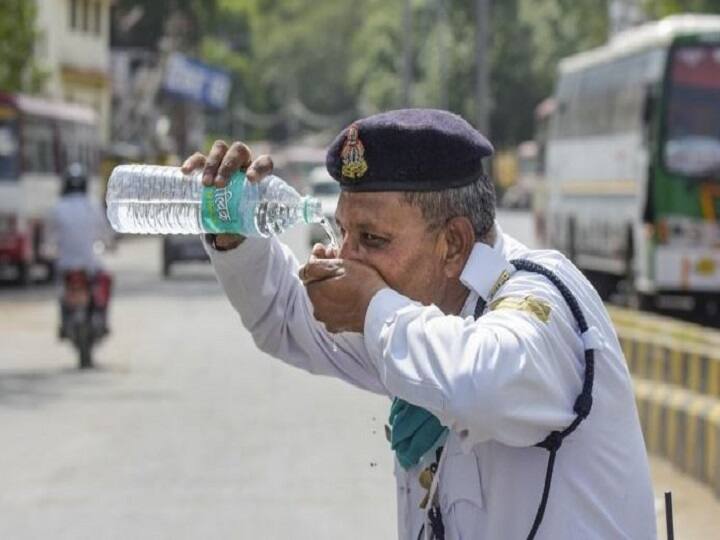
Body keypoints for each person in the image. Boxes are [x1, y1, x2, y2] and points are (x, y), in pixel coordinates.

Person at [183, 109, 656, 539]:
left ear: (452, 243)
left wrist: (370, 305)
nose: (348, 258)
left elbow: (479, 385)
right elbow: (284, 318)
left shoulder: (539, 296)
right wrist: (235, 237)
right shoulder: (414, 321)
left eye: (371, 238)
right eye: (344, 232)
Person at [47, 163, 113, 337]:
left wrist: (48, 250)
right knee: (106, 279)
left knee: (60, 290)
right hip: (89, 264)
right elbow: (105, 234)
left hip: (65, 264)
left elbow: (49, 239)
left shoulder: (57, 208)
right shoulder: (92, 206)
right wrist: (110, 244)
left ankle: (63, 322)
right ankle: (103, 317)